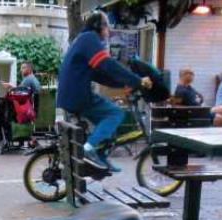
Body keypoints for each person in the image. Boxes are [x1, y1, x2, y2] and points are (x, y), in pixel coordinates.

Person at [56, 11, 152, 171]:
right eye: (107, 26)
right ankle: (89, 149)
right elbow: (108, 65)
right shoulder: (90, 39)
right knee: (115, 114)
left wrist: (124, 84)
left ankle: (100, 156)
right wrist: (137, 80)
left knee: (107, 123)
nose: (109, 31)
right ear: (98, 26)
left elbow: (99, 75)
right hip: (78, 95)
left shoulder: (83, 39)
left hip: (70, 94)